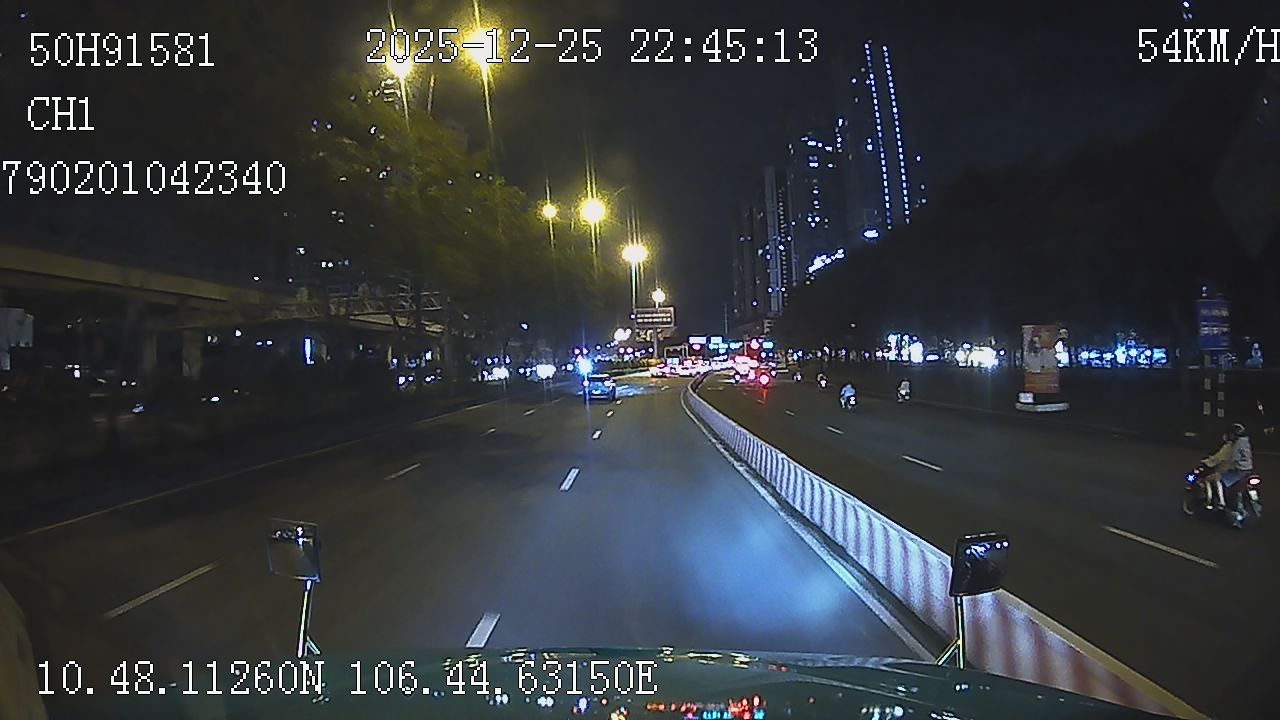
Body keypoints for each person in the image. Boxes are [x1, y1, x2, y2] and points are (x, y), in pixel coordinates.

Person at [1201, 422, 1254, 526]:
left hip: (1238, 470)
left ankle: (1219, 503)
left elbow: (1229, 459)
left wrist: (1208, 462)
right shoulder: (1245, 442)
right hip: (1248, 469)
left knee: (1215, 479)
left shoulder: (1234, 445)